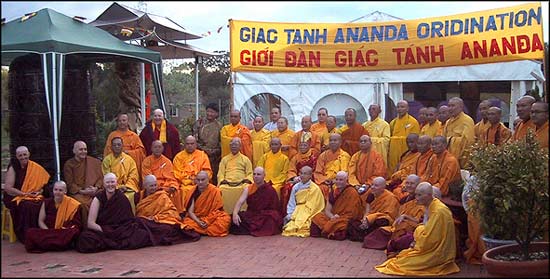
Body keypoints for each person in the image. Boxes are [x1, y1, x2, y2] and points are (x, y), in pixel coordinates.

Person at [375, 182, 460, 276]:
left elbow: (430, 239)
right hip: (428, 245)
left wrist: (418, 232)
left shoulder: (438, 211)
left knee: (401, 263)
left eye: (419, 195)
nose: (416, 198)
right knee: (402, 258)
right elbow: (428, 231)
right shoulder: (432, 205)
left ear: (429, 195)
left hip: (437, 253)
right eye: (416, 194)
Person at [76, 173, 153, 253]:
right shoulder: (98, 199)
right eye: (108, 182)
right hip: (103, 230)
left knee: (142, 235)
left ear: (116, 183)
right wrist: (106, 231)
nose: (110, 185)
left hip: (120, 230)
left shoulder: (122, 198)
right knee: (85, 238)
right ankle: (110, 243)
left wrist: (115, 231)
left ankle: (107, 244)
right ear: (104, 184)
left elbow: (128, 221)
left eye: (112, 182)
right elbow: (91, 223)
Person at [363, 175, 424, 257]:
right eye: (407, 183)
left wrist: (406, 217)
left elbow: (420, 221)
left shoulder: (422, 200)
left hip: (411, 229)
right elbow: (397, 217)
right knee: (372, 237)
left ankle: (394, 244)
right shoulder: (405, 199)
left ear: (418, 184)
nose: (409, 185)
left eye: (412, 183)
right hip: (396, 227)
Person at [134, 175, 200, 245]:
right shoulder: (139, 196)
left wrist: (156, 218)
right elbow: (138, 212)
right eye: (151, 186)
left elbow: (172, 212)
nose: (154, 188)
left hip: (158, 221)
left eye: (155, 185)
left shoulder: (162, 196)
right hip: (145, 221)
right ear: (145, 186)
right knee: (139, 224)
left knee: (166, 229)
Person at [3, 146, 50, 242]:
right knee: (27, 206)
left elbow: (42, 186)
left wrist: (38, 192)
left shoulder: (34, 167)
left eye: (25, 154)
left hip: (31, 195)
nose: (23, 157)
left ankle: (40, 232)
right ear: (17, 156)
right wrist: (24, 194)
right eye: (20, 155)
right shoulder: (14, 167)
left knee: (43, 203)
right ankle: (27, 235)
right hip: (14, 196)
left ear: (29, 154)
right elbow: (8, 188)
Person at [24, 181, 82, 253]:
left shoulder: (73, 204)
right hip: (49, 231)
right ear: (53, 190)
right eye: (56, 189)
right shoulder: (46, 202)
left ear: (65, 191)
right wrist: (48, 231)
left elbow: (76, 224)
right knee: (30, 232)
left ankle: (48, 244)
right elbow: (40, 221)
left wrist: (63, 229)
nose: (57, 192)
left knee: (73, 232)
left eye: (60, 190)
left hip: (61, 232)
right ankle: (57, 244)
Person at [230, 167, 283, 236]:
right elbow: (240, 202)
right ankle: (256, 228)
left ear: (264, 176)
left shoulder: (270, 189)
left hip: (265, 215)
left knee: (272, 219)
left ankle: (253, 228)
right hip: (252, 214)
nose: (256, 176)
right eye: (254, 174)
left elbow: (275, 209)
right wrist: (235, 214)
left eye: (258, 174)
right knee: (235, 219)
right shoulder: (248, 188)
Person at [310, 171, 363, 240]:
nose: (338, 182)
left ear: (346, 180)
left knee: (342, 225)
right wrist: (332, 217)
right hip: (334, 217)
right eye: (336, 179)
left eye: (341, 180)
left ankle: (328, 229)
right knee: (317, 217)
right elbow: (327, 210)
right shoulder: (333, 193)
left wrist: (339, 218)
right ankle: (330, 229)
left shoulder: (352, 192)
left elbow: (353, 214)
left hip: (345, 219)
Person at [347, 177, 400, 243]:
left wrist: (370, 218)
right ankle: (366, 235)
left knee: (382, 221)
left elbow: (389, 216)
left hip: (381, 220)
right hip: (369, 219)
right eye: (372, 184)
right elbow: (367, 210)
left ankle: (364, 235)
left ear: (384, 187)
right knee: (351, 223)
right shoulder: (371, 195)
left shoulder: (391, 198)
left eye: (376, 185)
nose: (372, 187)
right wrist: (365, 219)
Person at [63, 140, 103, 225]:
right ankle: (88, 226)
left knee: (104, 198)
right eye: (81, 149)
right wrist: (83, 191)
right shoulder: (69, 164)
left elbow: (100, 178)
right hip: (78, 193)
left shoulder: (94, 162)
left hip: (94, 190)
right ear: (74, 151)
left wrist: (96, 188)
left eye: (85, 149)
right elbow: (70, 184)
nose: (83, 152)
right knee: (84, 205)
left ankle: (103, 225)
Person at [141, 140, 185, 214]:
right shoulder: (146, 161)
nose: (157, 149)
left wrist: (172, 186)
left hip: (166, 186)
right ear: (151, 148)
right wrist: (161, 187)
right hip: (153, 187)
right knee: (161, 193)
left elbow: (171, 177)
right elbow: (147, 179)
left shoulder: (167, 161)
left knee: (176, 192)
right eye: (155, 147)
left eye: (159, 147)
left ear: (162, 148)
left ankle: (175, 213)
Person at [182, 171, 231, 236]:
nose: (200, 182)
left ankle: (200, 230)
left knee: (225, 219)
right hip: (197, 218)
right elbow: (190, 212)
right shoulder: (192, 192)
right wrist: (198, 221)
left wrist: (207, 221)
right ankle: (207, 230)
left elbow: (217, 211)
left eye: (203, 180)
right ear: (195, 180)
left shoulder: (215, 191)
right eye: (198, 180)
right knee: (187, 223)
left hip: (212, 218)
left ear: (208, 180)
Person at [282, 166, 325, 237]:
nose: (302, 175)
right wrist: (290, 214)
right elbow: (291, 202)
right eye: (301, 173)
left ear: (310, 176)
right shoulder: (296, 187)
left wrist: (308, 214)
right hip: (297, 210)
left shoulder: (315, 188)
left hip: (309, 211)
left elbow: (317, 205)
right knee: (290, 227)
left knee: (305, 225)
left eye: (305, 174)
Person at [101, 137, 139, 213]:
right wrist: (117, 187)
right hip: (112, 188)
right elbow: (106, 177)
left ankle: (129, 218)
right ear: (111, 147)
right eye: (114, 145)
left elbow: (133, 175)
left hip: (128, 188)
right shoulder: (107, 160)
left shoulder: (129, 159)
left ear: (122, 146)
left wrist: (127, 186)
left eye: (119, 145)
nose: (117, 147)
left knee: (130, 196)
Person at [173, 136, 212, 209]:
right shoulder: (179, 157)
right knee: (183, 190)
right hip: (185, 184)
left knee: (211, 190)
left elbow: (207, 171)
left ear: (196, 145)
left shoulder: (202, 155)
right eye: (187, 144)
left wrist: (199, 180)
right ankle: (185, 212)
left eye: (192, 144)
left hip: (200, 182)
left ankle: (203, 210)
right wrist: (189, 181)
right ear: (184, 145)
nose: (190, 146)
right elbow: (176, 173)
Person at [280, 140, 318, 218]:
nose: (302, 147)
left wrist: (306, 176)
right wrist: (295, 177)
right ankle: (288, 212)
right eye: (300, 145)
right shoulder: (295, 157)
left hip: (309, 179)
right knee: (287, 188)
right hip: (298, 178)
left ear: (309, 146)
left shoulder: (313, 157)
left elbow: (314, 171)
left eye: (305, 145)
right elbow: (291, 169)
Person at [218, 137, 253, 213]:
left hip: (242, 183)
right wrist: (222, 180)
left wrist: (248, 179)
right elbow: (221, 173)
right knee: (221, 189)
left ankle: (243, 212)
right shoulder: (225, 159)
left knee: (247, 188)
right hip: (227, 183)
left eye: (236, 144)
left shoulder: (245, 159)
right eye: (232, 144)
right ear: (230, 146)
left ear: (240, 147)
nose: (234, 146)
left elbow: (250, 173)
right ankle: (225, 212)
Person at [388, 100, 420, 177]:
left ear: (407, 108)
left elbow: (415, 138)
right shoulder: (393, 122)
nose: (400, 109)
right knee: (393, 169)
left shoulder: (413, 122)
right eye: (398, 107)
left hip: (406, 150)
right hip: (394, 151)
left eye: (402, 107)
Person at [313, 133, 351, 198]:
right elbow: (318, 172)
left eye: (335, 140)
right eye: (331, 140)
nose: (332, 142)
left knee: (338, 189)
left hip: (339, 182)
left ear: (340, 143)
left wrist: (336, 180)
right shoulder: (323, 155)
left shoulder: (345, 156)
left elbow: (345, 172)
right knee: (317, 189)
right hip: (324, 182)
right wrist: (325, 180)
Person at [193, 103, 222, 185]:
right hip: (200, 155)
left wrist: (214, 151)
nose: (209, 114)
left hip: (214, 157)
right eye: (208, 111)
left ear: (216, 114)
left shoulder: (219, 126)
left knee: (213, 178)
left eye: (212, 112)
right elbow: (194, 140)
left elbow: (221, 142)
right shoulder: (199, 123)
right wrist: (203, 150)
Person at [443, 97, 475, 167]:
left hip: (462, 158)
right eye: (449, 106)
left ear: (461, 107)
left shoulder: (467, 120)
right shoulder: (448, 122)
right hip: (448, 158)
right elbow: (443, 140)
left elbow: (467, 142)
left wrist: (450, 140)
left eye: (453, 106)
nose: (450, 108)